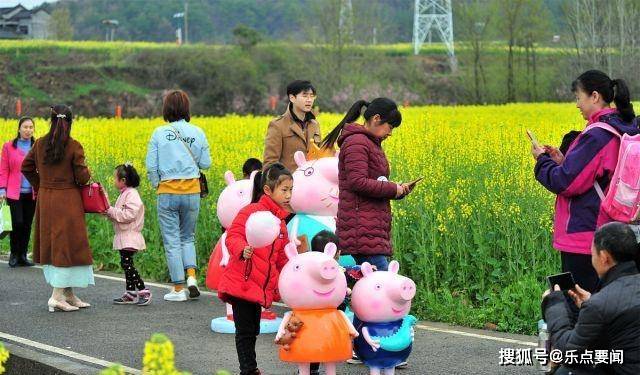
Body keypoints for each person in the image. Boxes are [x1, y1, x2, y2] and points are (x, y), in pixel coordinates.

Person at [533, 70, 640, 293]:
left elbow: (564, 182)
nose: (577, 104)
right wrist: (562, 160)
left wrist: (542, 161)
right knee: (610, 305)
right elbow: (593, 175)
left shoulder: (597, 135)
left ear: (594, 96)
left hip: (586, 235)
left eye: (578, 97)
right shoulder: (621, 127)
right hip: (614, 231)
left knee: (582, 305)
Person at [217, 163, 295, 375]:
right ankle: (249, 370)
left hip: (259, 285)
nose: (288, 195)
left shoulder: (280, 224)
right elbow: (233, 236)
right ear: (268, 190)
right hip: (241, 280)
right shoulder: (250, 211)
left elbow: (280, 258)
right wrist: (242, 249)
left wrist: (289, 283)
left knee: (253, 329)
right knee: (245, 331)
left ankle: (250, 368)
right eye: (284, 190)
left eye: (291, 190)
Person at [320, 98, 413, 272]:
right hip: (361, 231)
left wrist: (398, 191)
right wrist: (393, 188)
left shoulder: (370, 143)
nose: (390, 133)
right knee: (383, 284)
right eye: (390, 127)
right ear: (376, 118)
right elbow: (358, 182)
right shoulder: (357, 142)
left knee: (372, 287)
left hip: (369, 228)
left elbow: (373, 181)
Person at [542, 222, 640, 375]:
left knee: (566, 371)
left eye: (592, 253)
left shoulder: (599, 304)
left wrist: (554, 304)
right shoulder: (604, 300)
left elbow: (568, 351)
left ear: (604, 257)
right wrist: (591, 300)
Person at [21, 105, 93, 312]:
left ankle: (68, 294)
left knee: (57, 245)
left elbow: (25, 167)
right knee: (66, 246)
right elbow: (82, 177)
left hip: (46, 198)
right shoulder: (74, 146)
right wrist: (87, 172)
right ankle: (56, 297)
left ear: (51, 121)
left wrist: (41, 184)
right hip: (68, 200)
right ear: (70, 122)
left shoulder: (39, 144)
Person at [145, 90, 211, 302]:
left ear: (166, 109)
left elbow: (151, 166)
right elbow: (206, 164)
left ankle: (178, 288)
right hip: (192, 191)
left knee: (172, 240)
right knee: (187, 237)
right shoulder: (198, 132)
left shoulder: (159, 133)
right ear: (186, 108)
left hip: (168, 191)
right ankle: (192, 277)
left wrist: (158, 185)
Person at [103, 163, 151, 306]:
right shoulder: (125, 194)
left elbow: (129, 215)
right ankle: (130, 293)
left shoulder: (131, 194)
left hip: (130, 235)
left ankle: (143, 290)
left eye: (115, 178)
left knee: (127, 264)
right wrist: (108, 211)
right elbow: (119, 215)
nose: (113, 181)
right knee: (126, 263)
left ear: (123, 180)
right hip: (124, 235)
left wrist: (111, 211)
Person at [0, 116, 36, 267]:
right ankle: (14, 254)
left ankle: (23, 255)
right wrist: (2, 189)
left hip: (32, 192)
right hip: (14, 193)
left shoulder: (37, 147)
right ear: (19, 129)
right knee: (17, 222)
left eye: (31, 127)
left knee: (27, 224)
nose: (28, 130)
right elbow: (4, 169)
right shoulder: (9, 147)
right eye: (25, 127)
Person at [263, 80, 321, 172]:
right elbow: (270, 163)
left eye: (312, 96)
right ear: (292, 98)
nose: (309, 100)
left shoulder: (314, 124)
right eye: (305, 96)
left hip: (312, 181)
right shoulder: (277, 125)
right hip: (290, 183)